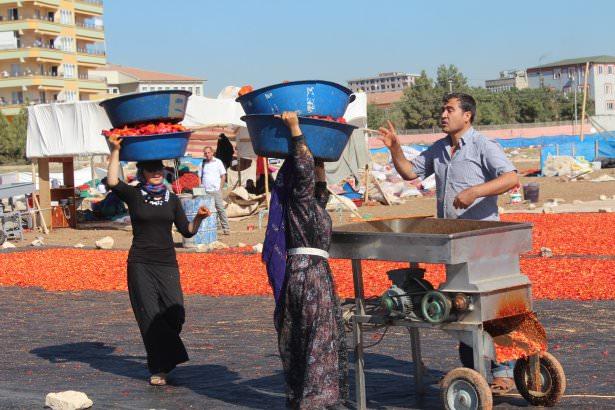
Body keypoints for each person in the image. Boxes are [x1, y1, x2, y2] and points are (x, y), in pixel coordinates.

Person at [378, 93, 520, 393]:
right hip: (454, 244)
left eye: (449, 109)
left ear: (467, 115)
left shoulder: (483, 145)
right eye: (442, 109)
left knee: (491, 308)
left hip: (483, 243)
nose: (443, 114)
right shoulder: (440, 149)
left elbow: (510, 178)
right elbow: (409, 173)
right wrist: (394, 147)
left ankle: (503, 371)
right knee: (461, 307)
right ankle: (470, 371)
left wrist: (475, 192)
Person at [106, 134, 211, 386]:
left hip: (166, 263)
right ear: (142, 172)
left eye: (159, 169)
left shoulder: (172, 199)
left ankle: (166, 355)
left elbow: (186, 231)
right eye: (151, 169)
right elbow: (112, 181)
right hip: (140, 263)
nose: (156, 173)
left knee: (176, 314)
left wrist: (199, 218)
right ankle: (158, 367)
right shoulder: (134, 195)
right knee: (149, 315)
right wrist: (115, 150)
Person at [263, 112, 349, 409]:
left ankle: (312, 397)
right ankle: (314, 400)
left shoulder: (311, 205)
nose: (312, 174)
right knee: (316, 336)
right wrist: (296, 130)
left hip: (314, 273)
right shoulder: (298, 202)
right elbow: (302, 171)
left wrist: (321, 167)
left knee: (315, 335)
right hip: (307, 275)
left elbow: (319, 192)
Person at [199, 146, 230, 235]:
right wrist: (200, 187)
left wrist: (220, 187)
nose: (207, 154)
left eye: (209, 152)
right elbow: (199, 177)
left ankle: (226, 229)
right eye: (205, 153)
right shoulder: (202, 164)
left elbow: (223, 175)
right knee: (207, 210)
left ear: (212, 153)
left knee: (220, 209)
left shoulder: (218, 162)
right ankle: (210, 228)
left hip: (216, 190)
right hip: (205, 191)